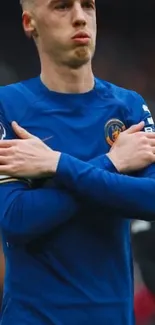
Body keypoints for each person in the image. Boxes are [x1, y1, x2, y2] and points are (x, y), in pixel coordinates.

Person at [0, 0, 155, 324]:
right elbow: (16, 219)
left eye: (88, 6)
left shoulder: (129, 107)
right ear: (30, 23)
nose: (80, 18)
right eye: (62, 7)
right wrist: (112, 163)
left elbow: (150, 200)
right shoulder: (8, 107)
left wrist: (56, 164)